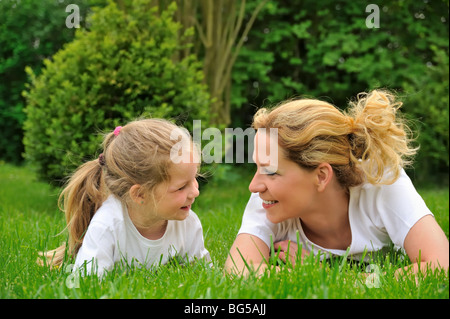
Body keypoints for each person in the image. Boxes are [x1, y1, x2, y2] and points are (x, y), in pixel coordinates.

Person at [225, 90, 449, 277]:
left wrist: (323, 274)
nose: (254, 186)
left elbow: (441, 265)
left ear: (321, 176)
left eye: (271, 171)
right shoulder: (268, 199)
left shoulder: (382, 181)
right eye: (257, 168)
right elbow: (237, 270)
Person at [39, 119, 210, 276]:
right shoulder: (107, 227)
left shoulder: (188, 223)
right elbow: (87, 284)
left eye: (194, 179)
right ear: (140, 194)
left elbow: (203, 274)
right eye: (181, 187)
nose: (195, 191)